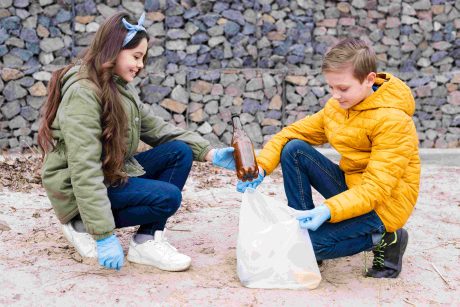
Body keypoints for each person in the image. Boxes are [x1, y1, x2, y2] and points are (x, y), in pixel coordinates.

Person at [38, 12, 235, 272]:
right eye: (136, 56)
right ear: (113, 51)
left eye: (143, 57)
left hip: (108, 172)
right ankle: (81, 224)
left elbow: (156, 128)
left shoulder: (118, 85)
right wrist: (104, 235)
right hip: (77, 190)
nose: (141, 64)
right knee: (167, 198)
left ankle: (146, 241)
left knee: (179, 151)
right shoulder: (82, 95)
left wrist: (210, 153)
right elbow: (84, 168)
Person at [236, 38, 421, 278]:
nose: (335, 95)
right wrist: (261, 168)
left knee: (298, 249)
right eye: (331, 87)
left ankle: (385, 237)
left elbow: (376, 189)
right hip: (352, 190)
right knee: (294, 149)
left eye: (343, 88)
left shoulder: (394, 122)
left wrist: (328, 210)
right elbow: (290, 133)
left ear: (369, 80)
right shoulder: (338, 107)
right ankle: (302, 225)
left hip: (383, 205)